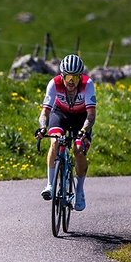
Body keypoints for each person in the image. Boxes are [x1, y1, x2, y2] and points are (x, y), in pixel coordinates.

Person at [35, 53, 96, 211]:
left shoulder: (87, 84)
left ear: (80, 77)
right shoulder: (54, 84)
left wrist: (83, 131)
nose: (71, 82)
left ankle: (80, 191)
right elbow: (45, 112)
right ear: (62, 75)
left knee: (78, 150)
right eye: (68, 77)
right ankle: (50, 184)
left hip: (80, 118)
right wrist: (43, 127)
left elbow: (91, 115)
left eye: (75, 78)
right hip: (60, 114)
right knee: (54, 141)